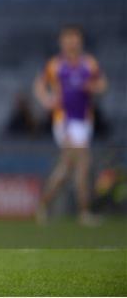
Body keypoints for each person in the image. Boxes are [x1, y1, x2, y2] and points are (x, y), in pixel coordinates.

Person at [33, 25, 107, 226]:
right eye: (68, 40)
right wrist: (47, 100)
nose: (72, 43)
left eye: (75, 39)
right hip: (64, 121)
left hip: (84, 121)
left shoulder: (89, 64)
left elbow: (102, 84)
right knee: (83, 162)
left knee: (66, 169)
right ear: (62, 43)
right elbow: (39, 85)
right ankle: (84, 212)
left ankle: (43, 204)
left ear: (80, 41)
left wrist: (93, 87)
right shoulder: (56, 65)